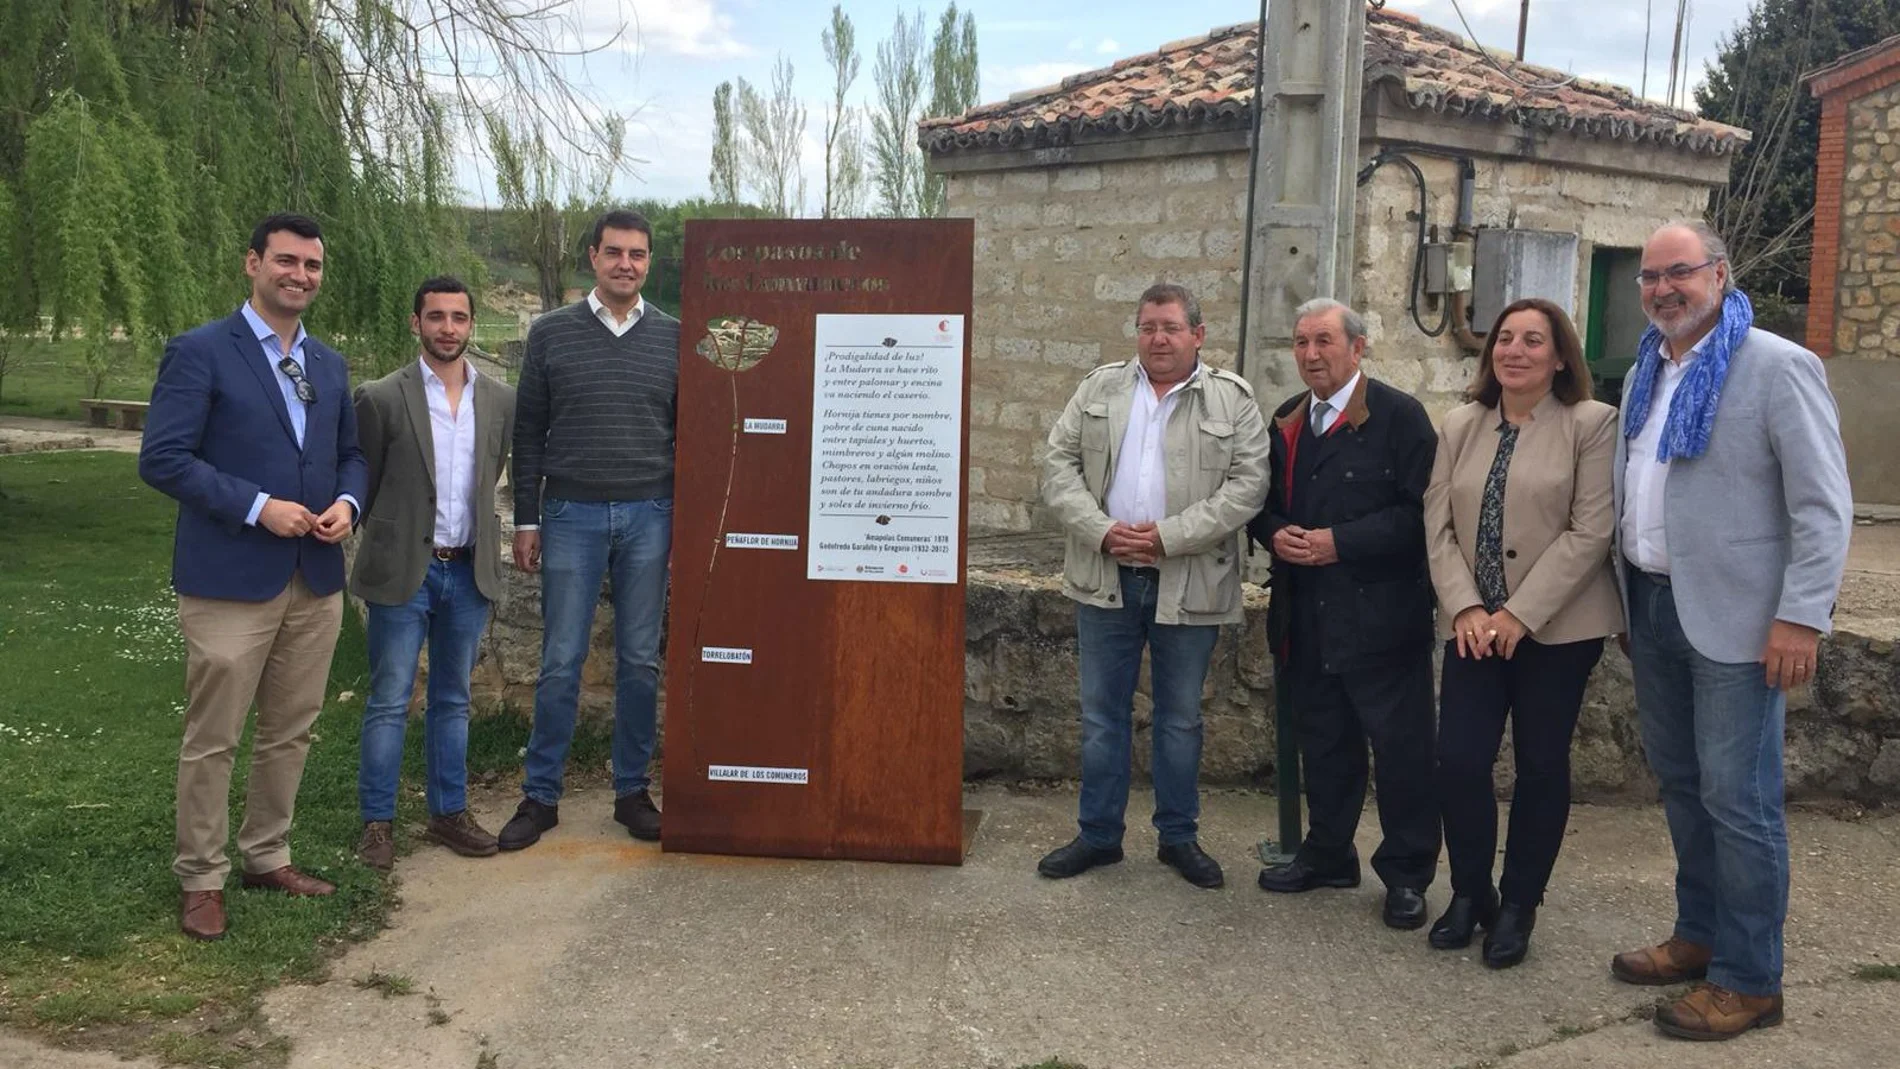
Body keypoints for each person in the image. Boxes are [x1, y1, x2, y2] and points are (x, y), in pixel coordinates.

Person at [1609, 222, 1852, 1041]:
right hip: (1653, 604)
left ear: (1719, 273)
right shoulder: (1647, 368)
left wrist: (1801, 615)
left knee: (1740, 801)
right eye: (1649, 277)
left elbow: (1822, 506)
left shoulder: (1778, 367)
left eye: (1678, 272)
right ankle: (1701, 933)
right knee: (1683, 786)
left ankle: (1750, 979)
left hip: (1746, 623)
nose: (1662, 288)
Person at [139, 213, 367, 941]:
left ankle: (267, 852)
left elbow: (352, 455)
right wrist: (258, 506)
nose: (300, 275)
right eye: (287, 261)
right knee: (215, 735)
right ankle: (201, 875)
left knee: (291, 729)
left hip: (315, 576)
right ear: (252, 264)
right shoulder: (202, 351)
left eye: (312, 265)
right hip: (230, 577)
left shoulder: (329, 365)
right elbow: (163, 458)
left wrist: (346, 502)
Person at [1037, 282, 1269, 889]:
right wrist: (1103, 531)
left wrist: (1169, 536)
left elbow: (1248, 486)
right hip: (1105, 574)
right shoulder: (1099, 388)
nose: (1157, 338)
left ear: (1198, 333)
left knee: (1180, 719)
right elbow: (1056, 465)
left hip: (1187, 581)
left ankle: (1178, 838)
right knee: (1100, 717)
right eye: (1147, 327)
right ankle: (1098, 836)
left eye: (1170, 327)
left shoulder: (1232, 399)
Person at [1422, 298, 1622, 968]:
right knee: (1460, 761)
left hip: (1558, 630)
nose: (1514, 350)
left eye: (1533, 340)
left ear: (1560, 355)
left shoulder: (1592, 424)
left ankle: (1518, 904)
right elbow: (1439, 528)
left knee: (1540, 765)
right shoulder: (1459, 424)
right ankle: (1469, 891)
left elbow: (1591, 530)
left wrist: (1518, 614)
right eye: (1504, 338)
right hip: (1473, 628)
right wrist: (1470, 610)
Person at [1251, 298, 1439, 930]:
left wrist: (1340, 542)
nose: (1311, 354)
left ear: (1357, 348)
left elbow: (1421, 518)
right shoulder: (1286, 420)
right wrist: (1273, 533)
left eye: (1324, 341)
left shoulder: (1400, 417)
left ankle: (1408, 874)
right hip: (1306, 617)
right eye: (1301, 342)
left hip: (1383, 620)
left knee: (1402, 752)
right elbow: (1264, 504)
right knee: (1326, 746)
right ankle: (1329, 854)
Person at [502, 209, 681, 850]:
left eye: (637, 254)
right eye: (614, 252)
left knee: (638, 661)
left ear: (648, 262)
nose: (626, 264)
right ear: (592, 257)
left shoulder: (673, 337)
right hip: (570, 515)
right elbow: (528, 432)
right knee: (560, 660)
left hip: (651, 515)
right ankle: (540, 795)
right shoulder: (551, 334)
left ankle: (632, 791)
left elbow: (688, 437)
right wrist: (527, 517)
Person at [349, 277, 517, 870]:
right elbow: (360, 485)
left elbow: (491, 471)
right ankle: (377, 824)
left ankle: (450, 813)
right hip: (403, 574)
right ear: (416, 322)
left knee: (453, 699)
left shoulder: (498, 398)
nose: (449, 327)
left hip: (467, 572)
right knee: (390, 699)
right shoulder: (380, 396)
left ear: (472, 325)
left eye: (459, 318)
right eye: (437, 316)